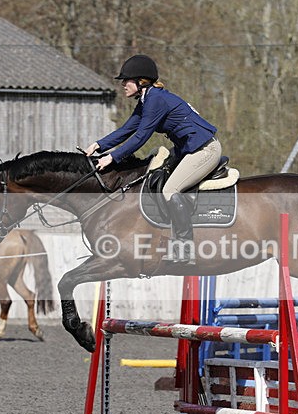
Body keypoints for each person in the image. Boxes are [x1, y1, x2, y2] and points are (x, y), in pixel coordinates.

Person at [83, 54, 221, 265]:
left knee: (170, 190)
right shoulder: (147, 99)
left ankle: (184, 249)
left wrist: (112, 157)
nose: (123, 85)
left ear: (141, 81)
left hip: (204, 151)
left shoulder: (155, 99)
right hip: (188, 150)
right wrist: (99, 145)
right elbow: (128, 129)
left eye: (126, 80)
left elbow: (140, 137)